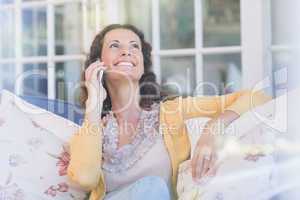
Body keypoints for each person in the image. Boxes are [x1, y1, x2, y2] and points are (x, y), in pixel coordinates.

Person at [67, 24, 271, 200]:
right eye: (114, 45)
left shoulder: (173, 112)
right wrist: (93, 106)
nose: (126, 51)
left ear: (143, 65)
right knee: (151, 187)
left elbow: (259, 97)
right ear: (97, 64)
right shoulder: (88, 130)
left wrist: (214, 128)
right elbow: (85, 178)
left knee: (153, 188)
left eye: (134, 46)